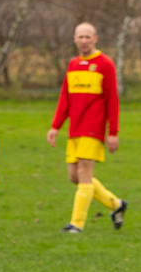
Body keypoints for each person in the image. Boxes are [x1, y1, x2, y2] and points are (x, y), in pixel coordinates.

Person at [47, 22, 127, 234]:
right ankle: (116, 204)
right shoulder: (73, 64)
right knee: (74, 176)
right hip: (75, 129)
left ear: (95, 38)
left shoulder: (105, 64)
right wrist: (55, 126)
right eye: (80, 37)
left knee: (84, 173)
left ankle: (76, 224)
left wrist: (113, 132)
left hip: (94, 130)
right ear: (75, 39)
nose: (84, 41)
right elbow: (65, 98)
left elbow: (113, 101)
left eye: (87, 37)